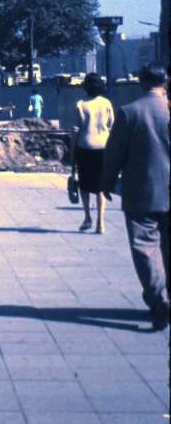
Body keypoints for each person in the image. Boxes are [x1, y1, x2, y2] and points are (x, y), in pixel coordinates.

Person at [101, 63, 170, 331]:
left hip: (142, 191)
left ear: (140, 82)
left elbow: (114, 153)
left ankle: (158, 298)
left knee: (145, 247)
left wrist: (107, 182)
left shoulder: (130, 113)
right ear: (166, 81)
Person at [71, 73, 114, 233]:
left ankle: (87, 217)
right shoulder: (106, 103)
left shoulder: (80, 104)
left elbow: (75, 130)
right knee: (101, 186)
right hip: (103, 148)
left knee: (84, 185)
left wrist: (72, 152)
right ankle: (100, 223)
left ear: (85, 86)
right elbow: (111, 125)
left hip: (84, 147)